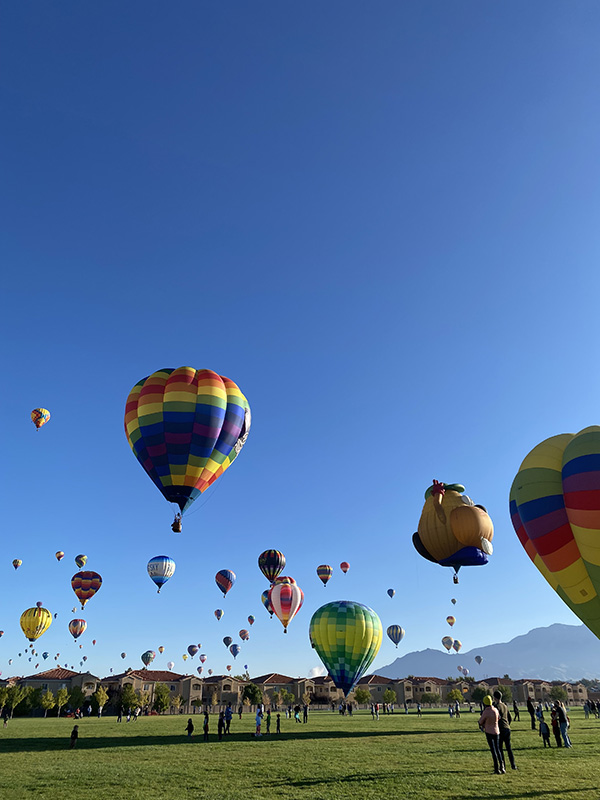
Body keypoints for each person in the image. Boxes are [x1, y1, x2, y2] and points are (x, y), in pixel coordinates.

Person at [478, 696, 505, 774]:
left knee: (493, 751)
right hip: (497, 731)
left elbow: (480, 721)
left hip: (489, 732)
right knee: (498, 750)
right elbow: (499, 717)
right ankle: (502, 767)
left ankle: (496, 769)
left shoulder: (486, 711)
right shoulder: (495, 709)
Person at [493, 690, 517, 770]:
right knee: (509, 748)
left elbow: (496, 717)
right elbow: (510, 718)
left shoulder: (497, 707)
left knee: (500, 749)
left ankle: (502, 765)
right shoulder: (505, 706)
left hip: (500, 729)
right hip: (507, 728)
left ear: (495, 698)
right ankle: (513, 765)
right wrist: (507, 724)